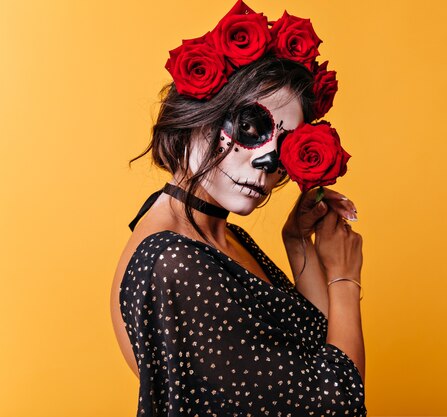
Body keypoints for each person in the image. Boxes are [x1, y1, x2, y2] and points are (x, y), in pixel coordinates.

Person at [109, 1, 366, 415]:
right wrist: (344, 279)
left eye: (285, 145)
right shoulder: (174, 262)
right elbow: (335, 405)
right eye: (249, 126)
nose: (268, 160)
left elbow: (316, 348)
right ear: (197, 115)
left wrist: (298, 241)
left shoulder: (215, 235)